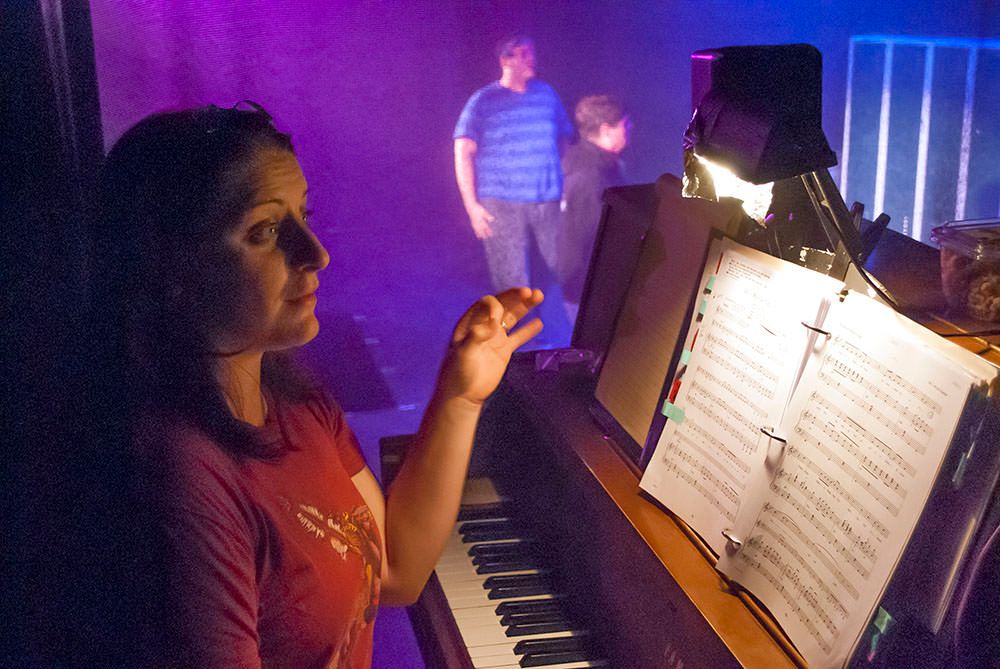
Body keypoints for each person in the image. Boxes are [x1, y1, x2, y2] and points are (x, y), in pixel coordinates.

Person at [91, 103, 544, 668]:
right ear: (174, 266)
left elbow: (395, 569)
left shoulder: (296, 399)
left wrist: (459, 395)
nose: (316, 253)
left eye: (304, 216)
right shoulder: (185, 477)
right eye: (265, 231)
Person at [453, 34, 574, 293]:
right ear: (505, 60)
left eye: (531, 53)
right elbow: (463, 151)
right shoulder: (484, 100)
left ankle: (553, 333)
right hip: (501, 203)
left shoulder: (546, 94)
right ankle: (519, 333)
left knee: (554, 275)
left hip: (546, 201)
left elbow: (564, 136)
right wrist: (472, 206)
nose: (532, 59)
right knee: (512, 282)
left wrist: (560, 176)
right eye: (523, 54)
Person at [558, 95, 630, 323]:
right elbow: (601, 239)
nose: (630, 128)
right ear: (607, 130)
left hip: (573, 287)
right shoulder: (594, 176)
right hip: (589, 293)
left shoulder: (572, 159)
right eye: (625, 125)